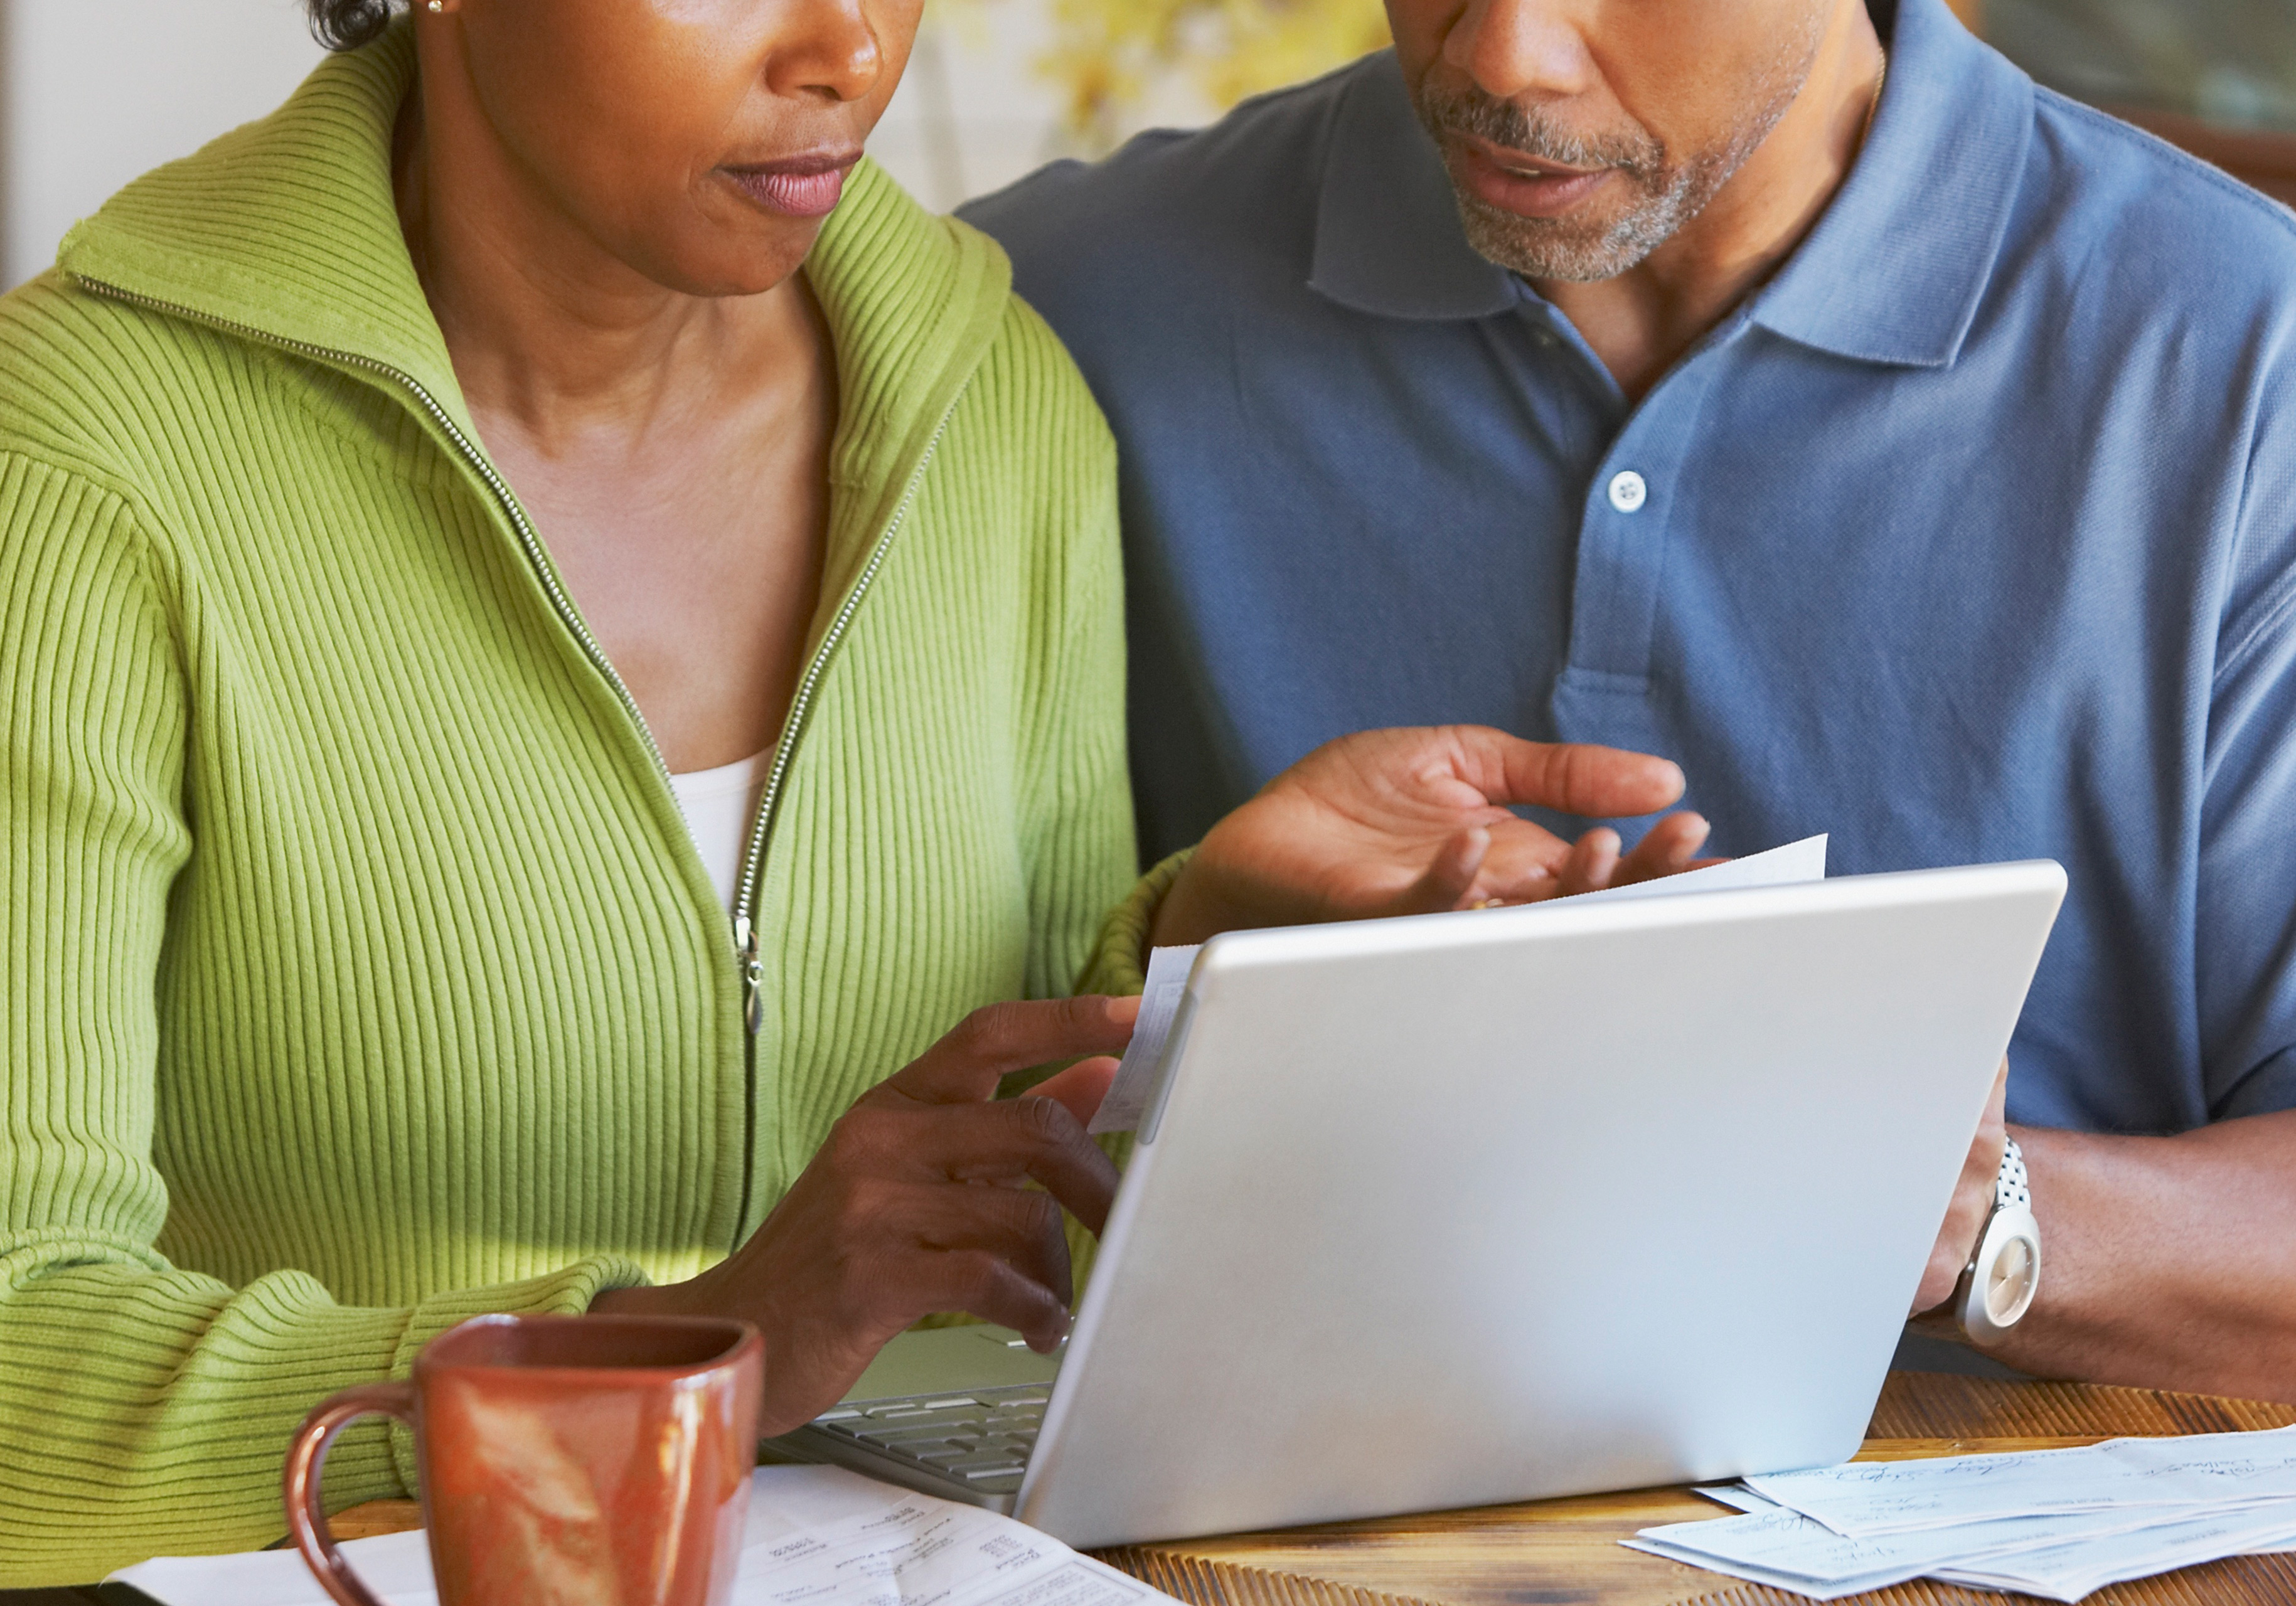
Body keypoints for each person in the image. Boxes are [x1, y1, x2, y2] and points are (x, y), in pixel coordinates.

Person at [0, 0, 1729, 1585]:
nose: (849, 47)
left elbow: (990, 1196)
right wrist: (680, 1356)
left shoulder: (991, 405)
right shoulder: (78, 465)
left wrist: (1201, 952)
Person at [963, 0, 2296, 1410]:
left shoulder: (2233, 359)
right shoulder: (1062, 310)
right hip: (1270, 1517)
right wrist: (1200, 967)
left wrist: (1965, 1216)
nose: (1503, 53)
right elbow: (901, 1054)